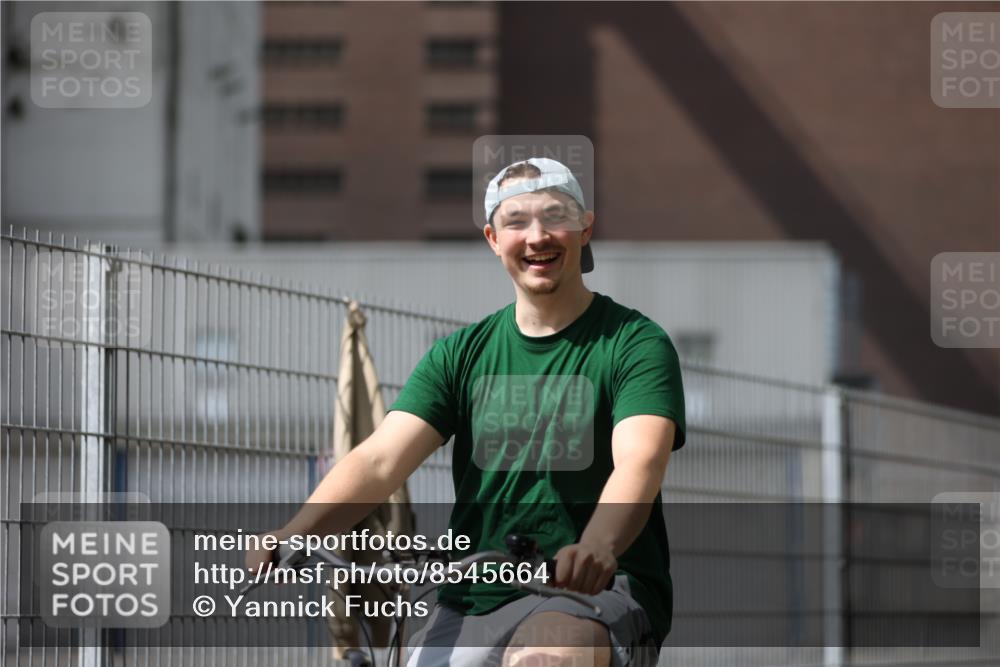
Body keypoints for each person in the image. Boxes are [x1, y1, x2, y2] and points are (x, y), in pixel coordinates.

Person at [248, 157, 686, 667]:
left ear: (585, 227)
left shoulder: (634, 344)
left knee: (543, 658)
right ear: (493, 239)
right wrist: (293, 533)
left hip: (589, 593)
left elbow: (640, 462)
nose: (537, 236)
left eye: (555, 217)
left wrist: (597, 545)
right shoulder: (460, 355)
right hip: (472, 595)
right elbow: (380, 462)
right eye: (516, 221)